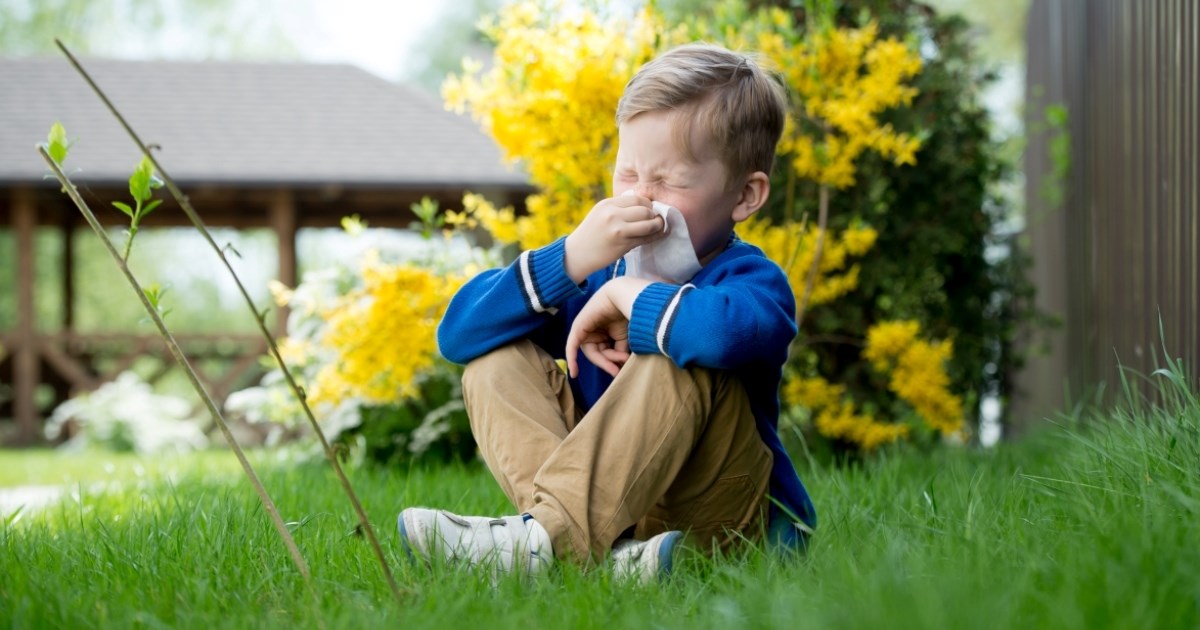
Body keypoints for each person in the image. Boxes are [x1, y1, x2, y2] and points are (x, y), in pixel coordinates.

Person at [397, 43, 816, 582]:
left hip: (722, 522)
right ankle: (594, 554)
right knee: (493, 362)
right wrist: (569, 259)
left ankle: (543, 544)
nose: (642, 198)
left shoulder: (752, 281)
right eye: (627, 175)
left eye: (670, 181)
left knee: (677, 352)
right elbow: (459, 335)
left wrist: (628, 300)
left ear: (745, 195)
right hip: (619, 518)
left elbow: (722, 334)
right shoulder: (597, 268)